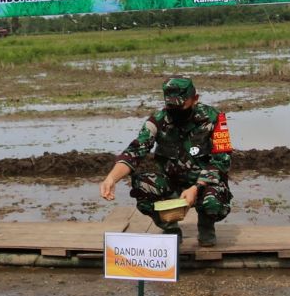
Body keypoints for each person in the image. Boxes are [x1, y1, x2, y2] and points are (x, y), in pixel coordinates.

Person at [99, 76, 232, 246]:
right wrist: (111, 178)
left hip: (204, 186)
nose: (176, 110)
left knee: (213, 201)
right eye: (171, 106)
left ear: (195, 99)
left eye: (181, 105)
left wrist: (196, 188)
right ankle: (170, 228)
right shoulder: (158, 120)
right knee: (142, 186)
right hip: (172, 185)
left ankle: (206, 226)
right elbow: (135, 151)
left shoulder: (215, 119)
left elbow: (222, 161)